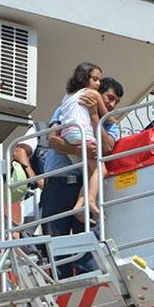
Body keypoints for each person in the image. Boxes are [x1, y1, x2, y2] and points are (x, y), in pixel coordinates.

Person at [41, 75, 124, 278]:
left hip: (86, 184)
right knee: (55, 240)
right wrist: (80, 148)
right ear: (94, 93)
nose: (112, 105)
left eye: (116, 102)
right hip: (59, 183)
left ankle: (92, 281)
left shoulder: (112, 124)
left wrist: (96, 116)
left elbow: (107, 147)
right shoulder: (67, 108)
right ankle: (62, 286)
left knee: (87, 242)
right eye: (109, 97)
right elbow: (53, 141)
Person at [56, 63, 111, 220]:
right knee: (101, 169)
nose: (98, 84)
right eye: (95, 79)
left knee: (89, 176)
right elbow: (107, 116)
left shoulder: (67, 96)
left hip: (68, 135)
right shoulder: (91, 93)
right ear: (84, 78)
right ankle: (91, 200)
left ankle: (78, 208)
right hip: (83, 133)